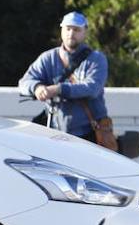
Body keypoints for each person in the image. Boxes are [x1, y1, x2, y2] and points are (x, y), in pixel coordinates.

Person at [18, 11, 111, 144]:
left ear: (85, 32)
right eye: (68, 29)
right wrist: (37, 88)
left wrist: (59, 89)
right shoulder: (48, 58)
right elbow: (25, 82)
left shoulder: (97, 59)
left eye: (76, 30)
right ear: (61, 30)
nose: (71, 34)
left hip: (89, 133)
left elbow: (92, 88)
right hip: (55, 133)